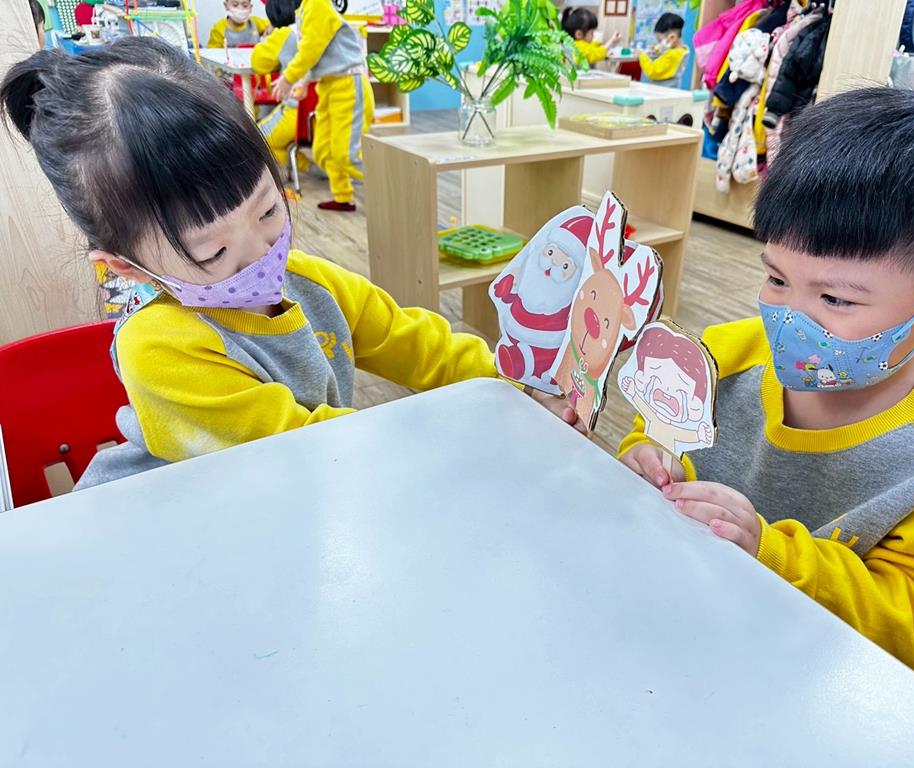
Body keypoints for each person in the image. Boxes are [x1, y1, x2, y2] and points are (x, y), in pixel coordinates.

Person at [0, 38, 578, 489]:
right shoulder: (160, 348)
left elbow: (421, 346)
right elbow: (301, 448)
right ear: (127, 267)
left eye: (268, 210)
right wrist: (466, 435)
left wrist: (518, 387)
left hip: (300, 491)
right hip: (182, 519)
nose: (261, 255)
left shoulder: (313, 284)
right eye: (213, 253)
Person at [619, 87, 914, 696]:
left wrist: (771, 554)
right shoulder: (722, 357)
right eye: (777, 278)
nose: (789, 320)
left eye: (835, 299)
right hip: (700, 628)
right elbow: (655, 434)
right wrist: (644, 460)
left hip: (849, 685)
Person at [270, 0, 372, 212]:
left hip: (348, 85)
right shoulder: (305, 9)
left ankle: (393, 187)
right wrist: (304, 81)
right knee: (323, 150)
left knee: (347, 155)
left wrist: (289, 78)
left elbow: (312, 48)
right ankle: (343, 197)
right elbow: (316, 50)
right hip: (328, 86)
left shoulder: (318, 4)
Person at [252, 0, 315, 175]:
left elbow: (258, 63)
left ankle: (303, 169)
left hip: (297, 113)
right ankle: (309, 168)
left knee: (257, 139)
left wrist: (271, 36)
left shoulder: (285, 34)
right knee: (282, 140)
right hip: (327, 111)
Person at [639, 12, 687, 88]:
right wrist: (658, 50)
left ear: (672, 37)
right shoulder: (682, 50)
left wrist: (641, 55)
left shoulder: (672, 55)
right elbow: (664, 57)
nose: (659, 43)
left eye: (660, 40)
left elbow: (652, 71)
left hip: (662, 91)